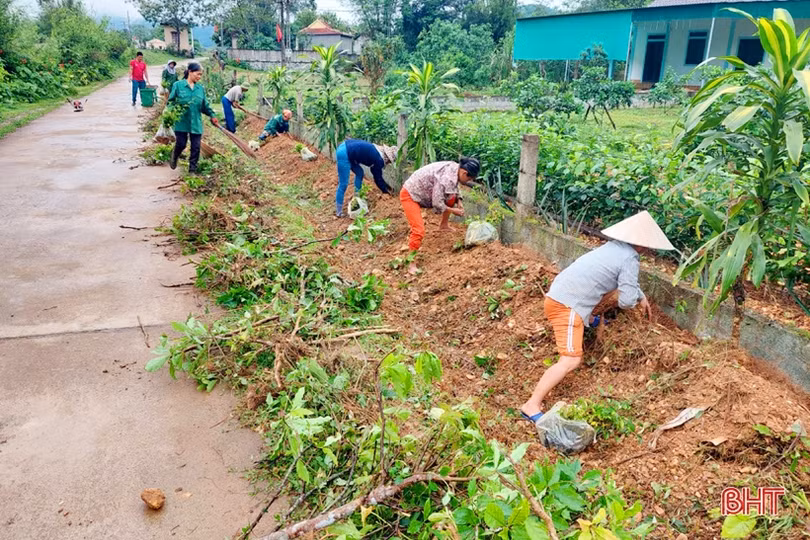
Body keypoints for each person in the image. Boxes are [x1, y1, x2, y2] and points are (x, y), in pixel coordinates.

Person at [519, 210, 675, 424]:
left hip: (559, 295)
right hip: (566, 307)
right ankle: (531, 405)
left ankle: (589, 319)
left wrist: (641, 295)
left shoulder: (612, 247)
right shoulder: (630, 258)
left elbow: (618, 280)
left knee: (609, 285)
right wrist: (635, 301)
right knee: (571, 360)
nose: (648, 250)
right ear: (642, 244)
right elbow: (625, 301)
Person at [400, 157, 480, 273]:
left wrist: (459, 201)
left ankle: (444, 225)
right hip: (410, 195)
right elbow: (437, 203)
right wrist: (454, 211)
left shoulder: (455, 169)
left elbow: (454, 187)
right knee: (418, 230)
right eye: (470, 178)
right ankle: (411, 263)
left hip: (423, 192)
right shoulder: (446, 178)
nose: (469, 181)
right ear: (464, 172)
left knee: (451, 197)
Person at [167, 62, 219, 174]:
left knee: (196, 147)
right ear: (190, 72)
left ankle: (192, 171)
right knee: (181, 144)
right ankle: (175, 154)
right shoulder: (178, 85)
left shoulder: (200, 89)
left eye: (201, 75)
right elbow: (171, 102)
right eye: (198, 74)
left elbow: (204, 105)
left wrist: (212, 115)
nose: (199, 77)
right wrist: (169, 114)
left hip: (196, 122)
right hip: (181, 121)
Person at [335, 139, 398, 217]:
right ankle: (339, 211)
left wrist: (387, 187)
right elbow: (377, 178)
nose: (388, 163)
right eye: (389, 161)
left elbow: (376, 173)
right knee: (343, 183)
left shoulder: (378, 150)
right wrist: (386, 191)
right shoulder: (379, 159)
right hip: (344, 153)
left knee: (359, 173)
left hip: (346, 147)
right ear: (387, 158)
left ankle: (357, 197)